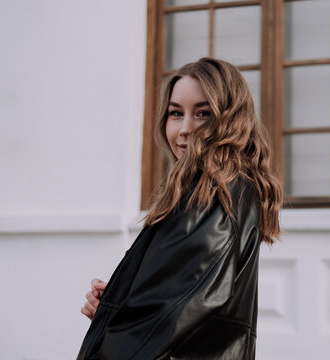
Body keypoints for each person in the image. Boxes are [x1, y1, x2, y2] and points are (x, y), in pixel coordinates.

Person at [77, 57, 282, 359]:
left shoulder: (214, 193)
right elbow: (185, 302)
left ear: (231, 119)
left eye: (203, 113)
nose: (185, 128)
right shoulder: (215, 188)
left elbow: (161, 319)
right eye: (176, 113)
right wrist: (120, 299)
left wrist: (121, 328)